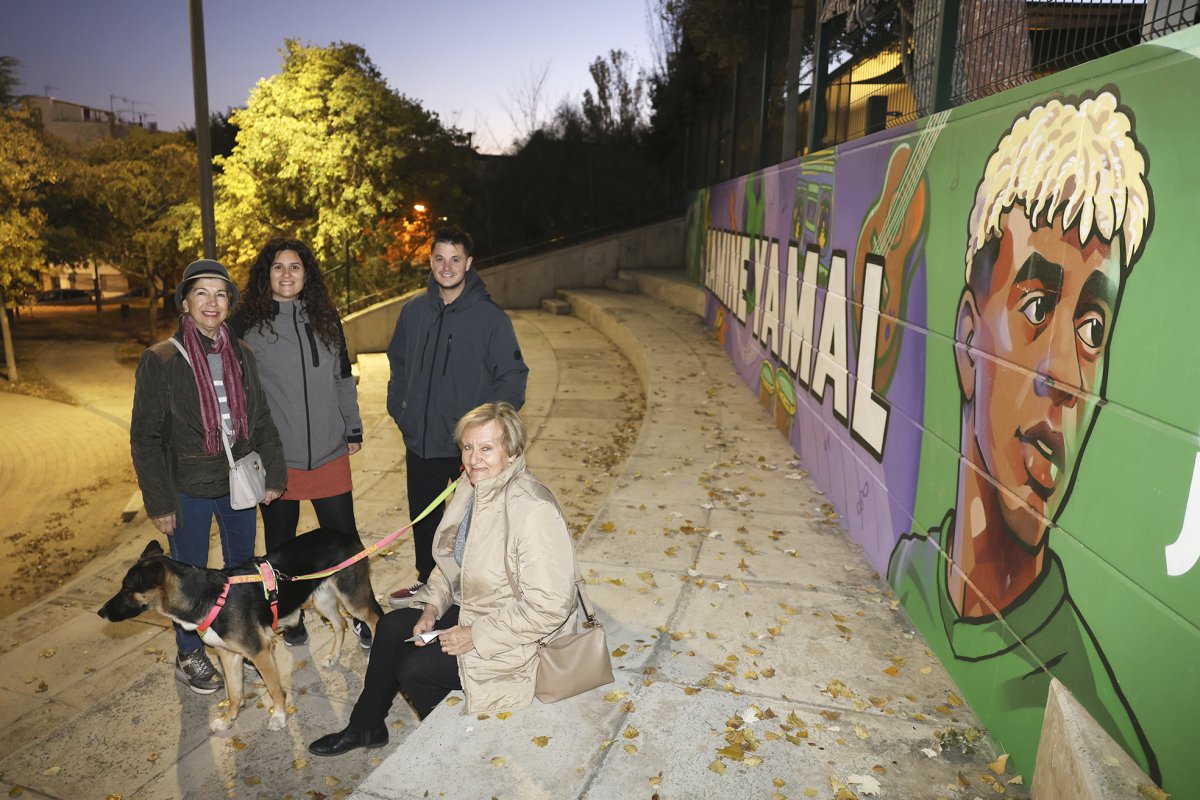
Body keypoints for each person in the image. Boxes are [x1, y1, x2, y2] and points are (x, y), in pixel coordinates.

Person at [887, 91, 1159, 781]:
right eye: (1037, 305)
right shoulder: (910, 570)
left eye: (1093, 328)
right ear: (967, 340)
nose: (1066, 374)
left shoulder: (1096, 731)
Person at [307, 402, 577, 756]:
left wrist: (474, 635)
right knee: (390, 627)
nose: (474, 458)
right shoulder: (471, 485)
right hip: (478, 608)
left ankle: (458, 749)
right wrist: (433, 605)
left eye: (486, 448)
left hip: (520, 639)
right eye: (467, 447)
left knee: (414, 667)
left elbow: (550, 607)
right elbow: (452, 564)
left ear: (512, 452)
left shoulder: (532, 509)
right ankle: (366, 726)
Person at [130, 259, 287, 694]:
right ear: (185, 302)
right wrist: (159, 502)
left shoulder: (243, 354)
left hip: (237, 482)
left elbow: (261, 419)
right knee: (187, 582)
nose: (212, 303)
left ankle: (243, 641)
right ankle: (189, 652)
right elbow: (144, 438)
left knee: (241, 573)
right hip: (187, 490)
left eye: (221, 294)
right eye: (202, 293)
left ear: (229, 303)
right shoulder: (160, 359)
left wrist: (274, 471)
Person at [231, 238, 372, 649]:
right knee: (280, 547)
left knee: (345, 540)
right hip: (279, 460)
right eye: (278, 267)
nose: (287, 274)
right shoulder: (245, 326)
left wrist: (353, 427)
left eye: (295, 267)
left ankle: (363, 613)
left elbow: (343, 377)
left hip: (329, 452)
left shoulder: (326, 317)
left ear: (306, 273)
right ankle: (288, 616)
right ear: (266, 274)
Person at [385, 226, 529, 606]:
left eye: (454, 259)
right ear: (430, 262)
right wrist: (401, 409)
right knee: (426, 519)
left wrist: (490, 435)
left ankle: (477, 592)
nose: (446, 267)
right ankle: (427, 582)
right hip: (422, 439)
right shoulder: (414, 311)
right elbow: (398, 363)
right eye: (439, 258)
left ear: (468, 263)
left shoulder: (489, 318)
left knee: (475, 524)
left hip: (471, 448)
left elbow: (513, 377)